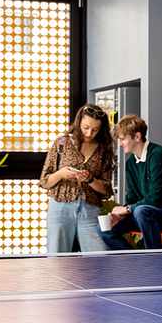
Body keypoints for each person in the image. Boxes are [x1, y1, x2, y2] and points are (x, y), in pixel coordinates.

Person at [100, 115, 162, 250]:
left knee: (141, 211)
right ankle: (136, 260)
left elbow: (156, 198)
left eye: (122, 139)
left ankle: (154, 258)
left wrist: (127, 209)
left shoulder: (159, 156)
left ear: (137, 137)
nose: (120, 144)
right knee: (106, 229)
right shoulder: (131, 163)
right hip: (148, 213)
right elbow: (132, 198)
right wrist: (120, 215)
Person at [39, 103, 114, 253]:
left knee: (98, 256)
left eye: (95, 130)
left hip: (89, 209)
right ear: (78, 122)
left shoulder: (104, 150)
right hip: (60, 208)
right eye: (86, 127)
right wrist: (61, 174)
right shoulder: (62, 143)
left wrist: (90, 179)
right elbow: (44, 181)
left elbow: (106, 190)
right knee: (57, 257)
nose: (89, 133)